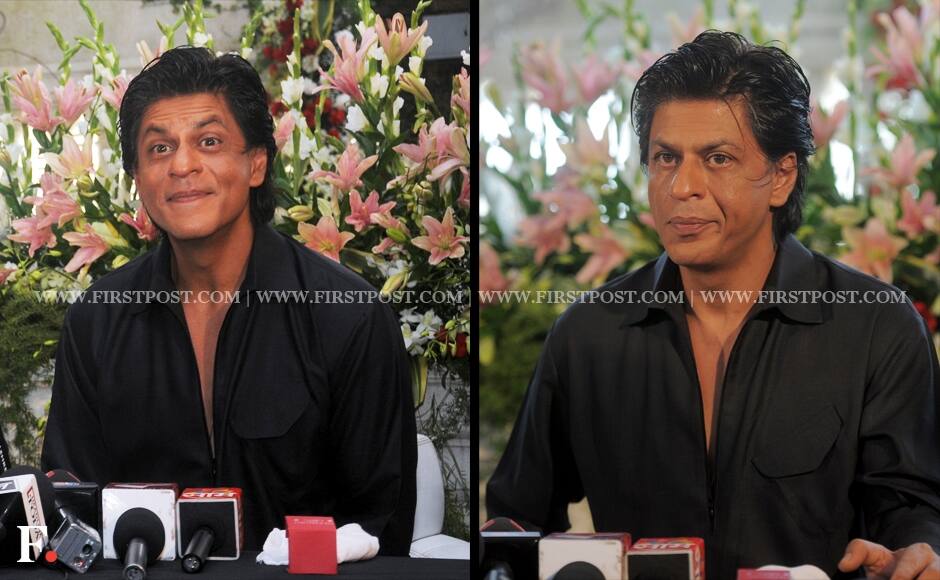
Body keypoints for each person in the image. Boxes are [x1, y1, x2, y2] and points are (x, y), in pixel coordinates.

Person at [486, 31, 940, 579]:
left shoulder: (876, 326)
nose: (682, 186)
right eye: (665, 158)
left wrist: (915, 553)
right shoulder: (587, 334)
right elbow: (516, 522)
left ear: (781, 175)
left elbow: (915, 511)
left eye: (718, 158)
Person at [40, 46, 417, 555]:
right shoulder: (97, 320)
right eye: (159, 148)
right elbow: (71, 514)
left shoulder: (347, 315)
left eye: (209, 141)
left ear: (256, 163)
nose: (183, 165)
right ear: (136, 178)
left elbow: (380, 529)